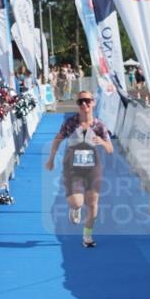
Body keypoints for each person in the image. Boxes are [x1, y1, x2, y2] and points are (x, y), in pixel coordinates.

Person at [44, 91, 113, 248]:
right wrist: (51, 159)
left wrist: (102, 142)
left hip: (92, 168)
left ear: (93, 103)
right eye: (80, 101)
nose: (84, 104)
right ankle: (74, 209)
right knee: (76, 203)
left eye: (87, 101)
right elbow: (57, 140)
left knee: (93, 203)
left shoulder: (100, 125)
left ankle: (87, 237)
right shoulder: (71, 123)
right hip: (72, 168)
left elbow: (110, 149)